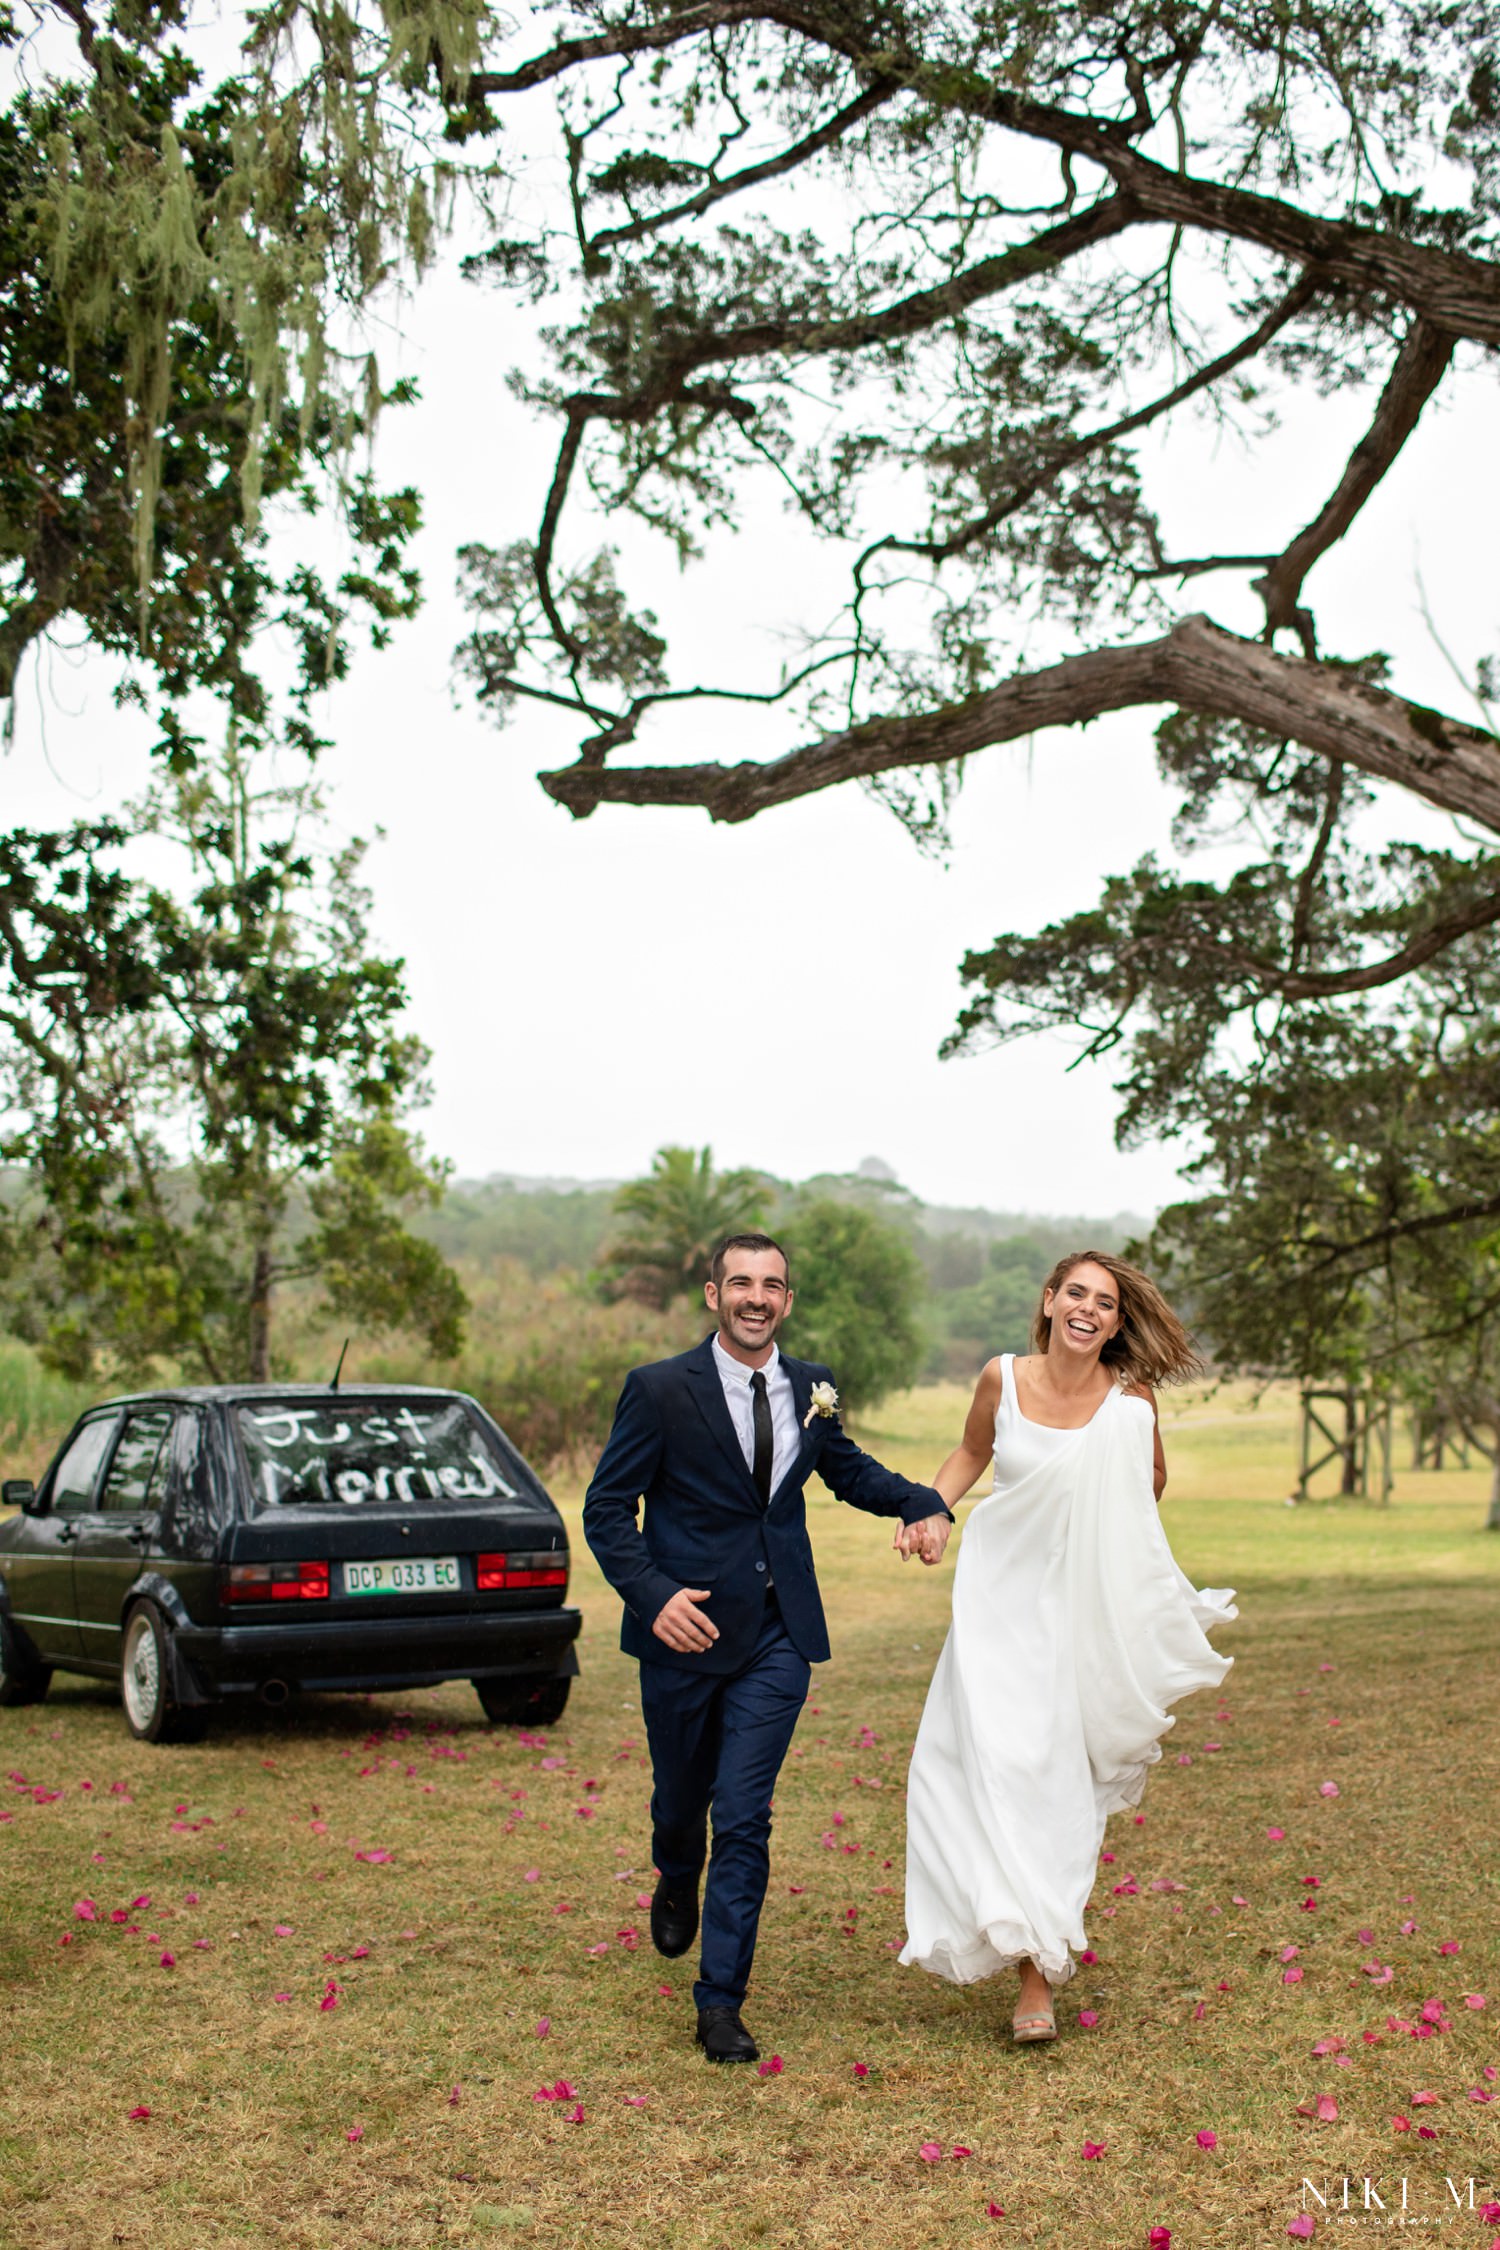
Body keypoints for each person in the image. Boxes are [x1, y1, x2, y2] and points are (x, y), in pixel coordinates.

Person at [584, 1231, 952, 2064]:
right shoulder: (657, 1390)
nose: (757, 1297)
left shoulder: (813, 1385)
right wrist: (654, 1597)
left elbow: (845, 1468)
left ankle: (721, 2004)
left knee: (743, 1817)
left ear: (787, 1299)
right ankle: (675, 1870)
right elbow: (607, 1512)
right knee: (682, 1807)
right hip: (685, 1630)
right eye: (741, 1282)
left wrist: (921, 1501)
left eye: (773, 1285)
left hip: (778, 1636)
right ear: (713, 1294)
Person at [895, 1251, 1236, 2043]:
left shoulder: (1132, 1403)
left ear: (1117, 1322)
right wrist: (930, 1509)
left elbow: (1148, 1487)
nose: (1088, 1309)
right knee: (973, 1770)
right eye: (1074, 1293)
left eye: (1105, 1302)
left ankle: (1035, 1971)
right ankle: (1011, 1939)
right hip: (996, 1605)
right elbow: (973, 1452)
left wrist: (1099, 1507)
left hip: (1077, 1615)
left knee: (1052, 1781)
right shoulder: (1001, 1378)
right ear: (1049, 1303)